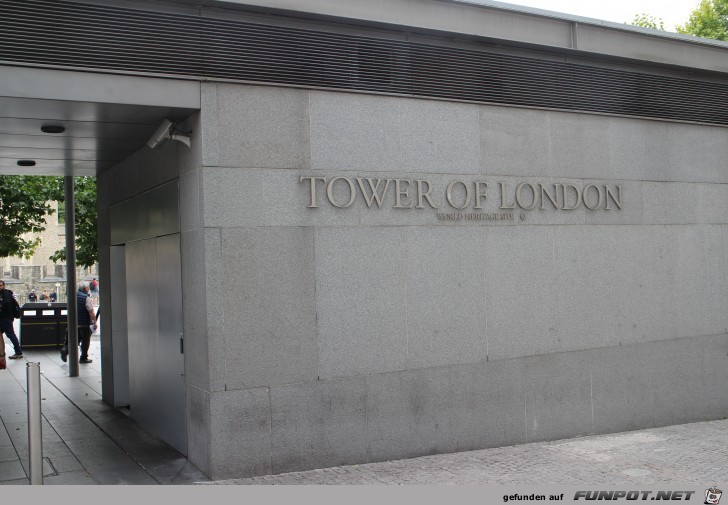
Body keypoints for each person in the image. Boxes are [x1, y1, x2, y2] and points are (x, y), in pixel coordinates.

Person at [61, 281, 96, 364]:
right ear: (86, 288)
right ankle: (83, 357)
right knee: (85, 341)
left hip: (73, 323)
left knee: (74, 340)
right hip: (84, 323)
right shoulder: (86, 298)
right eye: (88, 288)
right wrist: (94, 322)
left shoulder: (73, 296)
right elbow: (91, 312)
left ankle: (65, 350)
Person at [0, 280, 23, 359]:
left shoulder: (6, 294)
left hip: (5, 319)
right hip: (3, 318)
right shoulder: (3, 294)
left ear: (4, 286)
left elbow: (5, 305)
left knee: (10, 335)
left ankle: (18, 352)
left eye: (0, 286)